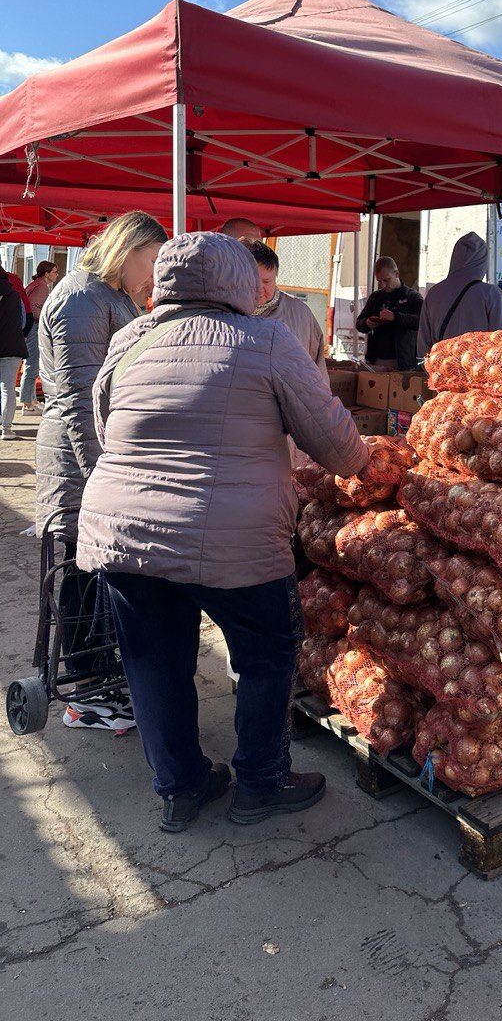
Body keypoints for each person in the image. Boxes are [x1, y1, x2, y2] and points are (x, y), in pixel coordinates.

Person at [76, 232, 368, 833]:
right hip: (238, 538)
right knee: (267, 653)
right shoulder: (266, 339)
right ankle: (261, 783)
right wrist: (367, 463)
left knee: (154, 661)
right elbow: (338, 447)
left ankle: (181, 788)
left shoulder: (132, 338)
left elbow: (105, 426)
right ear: (240, 281)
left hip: (125, 532)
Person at [36, 211, 167, 728]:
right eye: (151, 260)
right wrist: (102, 475)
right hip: (77, 460)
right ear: (127, 248)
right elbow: (76, 398)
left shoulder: (110, 295)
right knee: (78, 571)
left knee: (98, 573)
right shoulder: (79, 297)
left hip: (104, 458)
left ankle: (103, 679)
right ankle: (87, 693)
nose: (154, 274)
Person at [417, 232, 502, 357]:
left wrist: (436, 372)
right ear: (482, 262)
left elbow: (423, 347)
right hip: (479, 374)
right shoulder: (491, 294)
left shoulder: (433, 294)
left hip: (441, 373)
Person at [244, 240, 326, 374]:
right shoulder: (223, 312)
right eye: (252, 280)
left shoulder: (300, 313)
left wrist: (323, 395)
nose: (259, 289)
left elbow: (317, 368)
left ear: (276, 277)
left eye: (267, 281)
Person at [356, 257, 423, 371]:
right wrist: (367, 323)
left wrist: (395, 317)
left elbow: (421, 322)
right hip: (375, 360)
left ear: (396, 274)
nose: (382, 285)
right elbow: (358, 323)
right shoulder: (375, 297)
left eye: (386, 280)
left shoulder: (412, 297)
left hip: (402, 362)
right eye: (379, 281)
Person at [19, 260, 59, 413]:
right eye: (54, 272)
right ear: (46, 273)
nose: (57, 274)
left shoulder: (35, 284)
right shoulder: (42, 287)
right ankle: (27, 404)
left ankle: (32, 400)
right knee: (32, 364)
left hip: (29, 328)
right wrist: (47, 319)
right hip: (34, 328)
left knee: (32, 364)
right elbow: (35, 310)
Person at [0, 262, 27, 439]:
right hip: (12, 345)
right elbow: (23, 322)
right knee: (7, 388)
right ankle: (6, 429)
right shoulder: (16, 295)